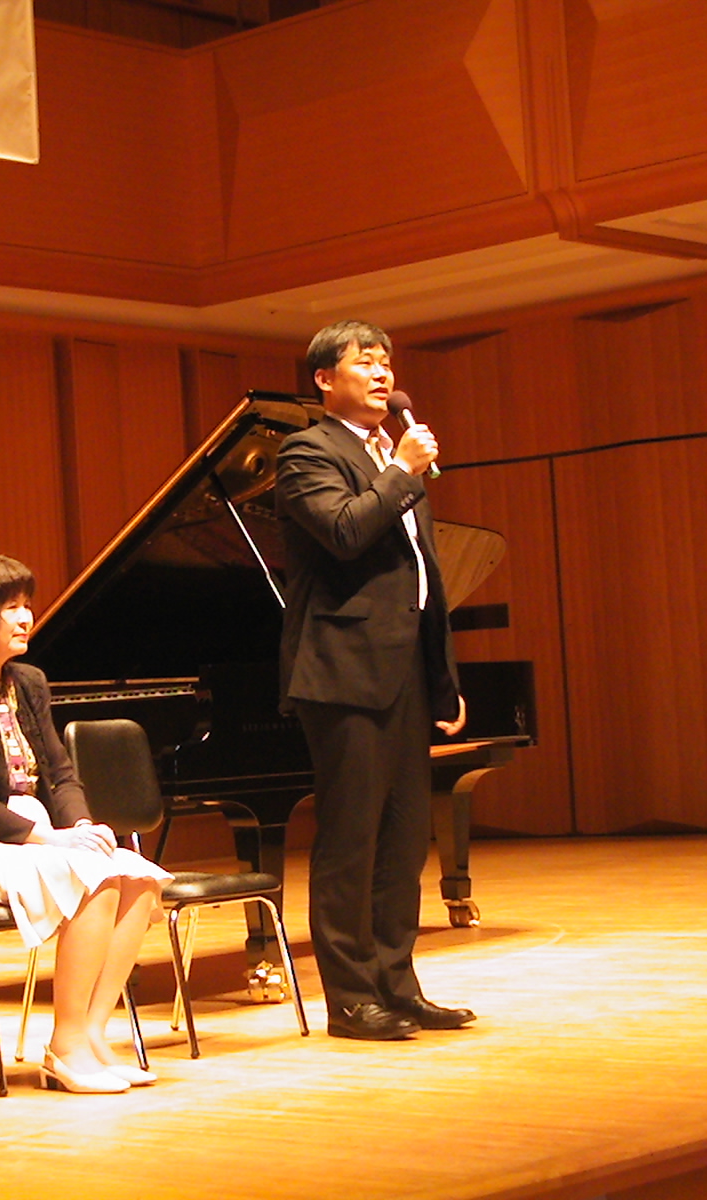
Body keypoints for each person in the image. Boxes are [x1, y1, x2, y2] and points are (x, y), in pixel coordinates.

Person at [0, 554, 167, 1094]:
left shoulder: (29, 682)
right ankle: (64, 1046)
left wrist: (81, 826)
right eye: (11, 607)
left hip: (25, 843)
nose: (26, 618)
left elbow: (60, 775)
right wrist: (52, 838)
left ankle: (92, 1035)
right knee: (96, 880)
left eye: (27, 605)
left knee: (138, 878)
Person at [275, 319, 476, 1041]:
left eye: (387, 361)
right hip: (343, 673)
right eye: (365, 361)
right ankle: (351, 999)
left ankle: (398, 985)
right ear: (325, 379)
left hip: (404, 672)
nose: (383, 372)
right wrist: (402, 473)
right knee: (352, 839)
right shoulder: (307, 452)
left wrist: (443, 677)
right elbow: (344, 532)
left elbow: (426, 580)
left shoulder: (393, 455)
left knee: (403, 839)